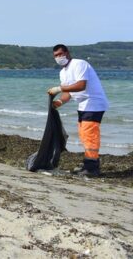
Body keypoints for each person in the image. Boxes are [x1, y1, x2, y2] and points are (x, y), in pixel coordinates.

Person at [47, 44, 109, 177]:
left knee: (89, 133)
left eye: (60, 54)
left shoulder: (79, 64)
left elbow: (81, 85)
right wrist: (59, 102)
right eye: (55, 56)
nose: (58, 57)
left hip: (94, 103)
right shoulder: (63, 72)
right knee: (83, 133)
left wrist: (59, 89)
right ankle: (90, 162)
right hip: (83, 105)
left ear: (67, 53)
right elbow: (68, 92)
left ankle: (92, 167)